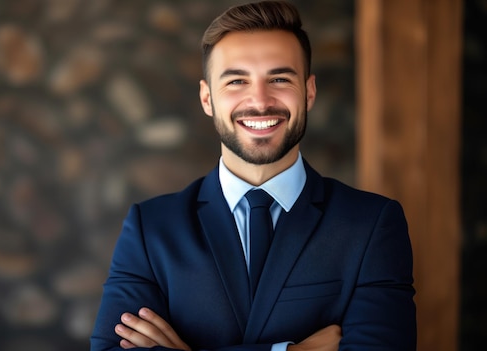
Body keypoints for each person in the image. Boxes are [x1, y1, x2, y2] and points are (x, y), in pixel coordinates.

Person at [90, 1, 416, 350]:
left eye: (279, 78)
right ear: (207, 97)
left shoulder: (372, 225)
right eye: (236, 81)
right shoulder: (151, 229)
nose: (260, 101)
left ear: (309, 92)